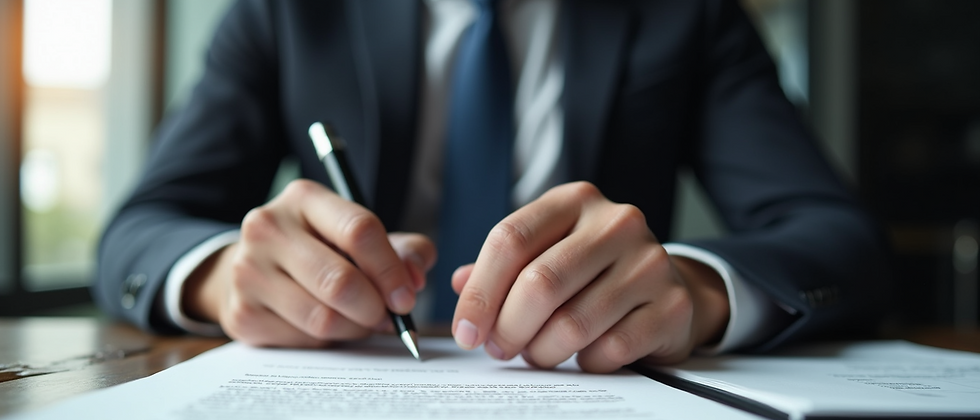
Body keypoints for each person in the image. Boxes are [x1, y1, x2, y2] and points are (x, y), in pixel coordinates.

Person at [95, 0, 890, 373]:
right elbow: (140, 229)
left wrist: (699, 288)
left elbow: (837, 237)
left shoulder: (687, 16)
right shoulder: (288, 13)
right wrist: (221, 274)